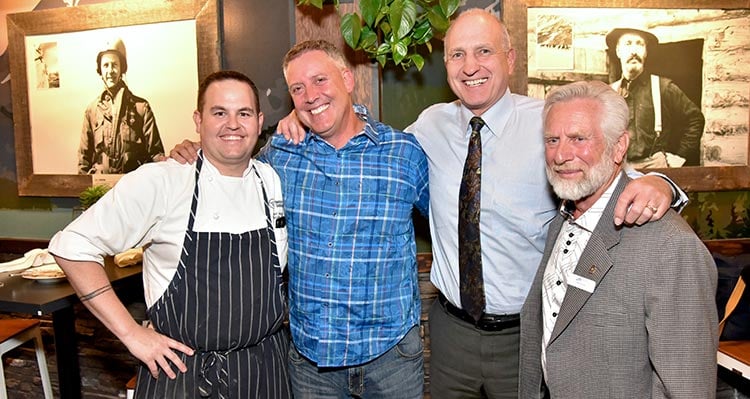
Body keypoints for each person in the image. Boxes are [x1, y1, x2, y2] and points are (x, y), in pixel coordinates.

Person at [263, 8, 687, 398]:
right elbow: (358, 144)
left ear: (511, 59)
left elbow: (606, 173)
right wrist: (296, 119)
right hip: (451, 332)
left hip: (527, 332)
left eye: (484, 51)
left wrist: (662, 183)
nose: (470, 67)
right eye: (457, 55)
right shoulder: (429, 127)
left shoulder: (544, 124)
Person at [170, 40, 430, 398]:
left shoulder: (404, 153)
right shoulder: (279, 155)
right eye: (298, 88)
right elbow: (228, 163)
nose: (311, 95)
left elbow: (450, 223)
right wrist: (187, 153)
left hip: (391, 357)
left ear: (347, 79)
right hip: (312, 366)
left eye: (320, 80)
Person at [51, 70, 292, 398]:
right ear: (198, 120)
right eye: (219, 112)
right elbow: (72, 246)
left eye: (244, 113)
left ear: (259, 120)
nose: (233, 124)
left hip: (264, 370)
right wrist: (132, 334)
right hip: (182, 375)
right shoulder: (162, 181)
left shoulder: (271, 180)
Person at [518, 80, 718, 398]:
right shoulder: (563, 215)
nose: (560, 154)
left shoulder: (669, 245)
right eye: (552, 139)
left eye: (578, 138)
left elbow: (687, 385)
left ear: (619, 147)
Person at [607, 27, 705, 167]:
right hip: (619, 167)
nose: (634, 51)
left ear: (646, 52)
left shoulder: (663, 87)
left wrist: (681, 155)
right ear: (618, 51)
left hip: (654, 165)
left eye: (639, 44)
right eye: (628, 44)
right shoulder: (609, 92)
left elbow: (695, 119)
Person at [78, 38, 164, 174]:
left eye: (114, 65)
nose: (110, 71)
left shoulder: (141, 108)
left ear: (122, 68)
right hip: (100, 187)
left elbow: (156, 154)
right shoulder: (92, 110)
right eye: (105, 65)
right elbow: (84, 159)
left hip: (132, 185)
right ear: (100, 70)